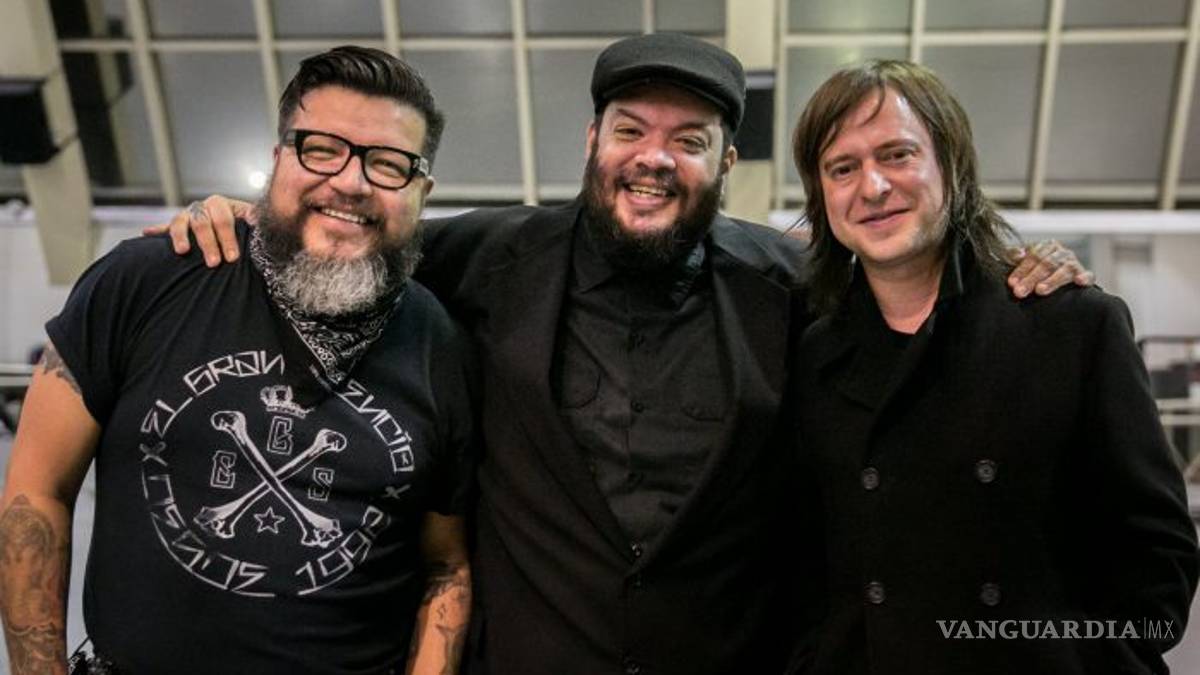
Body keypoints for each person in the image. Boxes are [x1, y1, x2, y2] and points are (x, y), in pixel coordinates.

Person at [149, 34, 1089, 674]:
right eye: (631, 130)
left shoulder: (794, 283)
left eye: (690, 140)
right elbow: (350, 238)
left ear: (726, 165)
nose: (654, 157)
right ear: (591, 139)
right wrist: (248, 217)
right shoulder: (483, 257)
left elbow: (912, 290)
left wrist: (1013, 266)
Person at [0, 46, 477, 675]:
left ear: (421, 192)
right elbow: (37, 490)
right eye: (322, 149)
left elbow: (446, 568)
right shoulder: (147, 280)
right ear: (279, 159)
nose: (351, 181)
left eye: (388, 164)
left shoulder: (440, 342)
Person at [789, 59, 1198, 675]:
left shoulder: (1071, 324)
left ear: (951, 164)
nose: (872, 187)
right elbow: (804, 562)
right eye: (842, 168)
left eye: (897, 155)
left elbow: (1157, 558)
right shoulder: (817, 354)